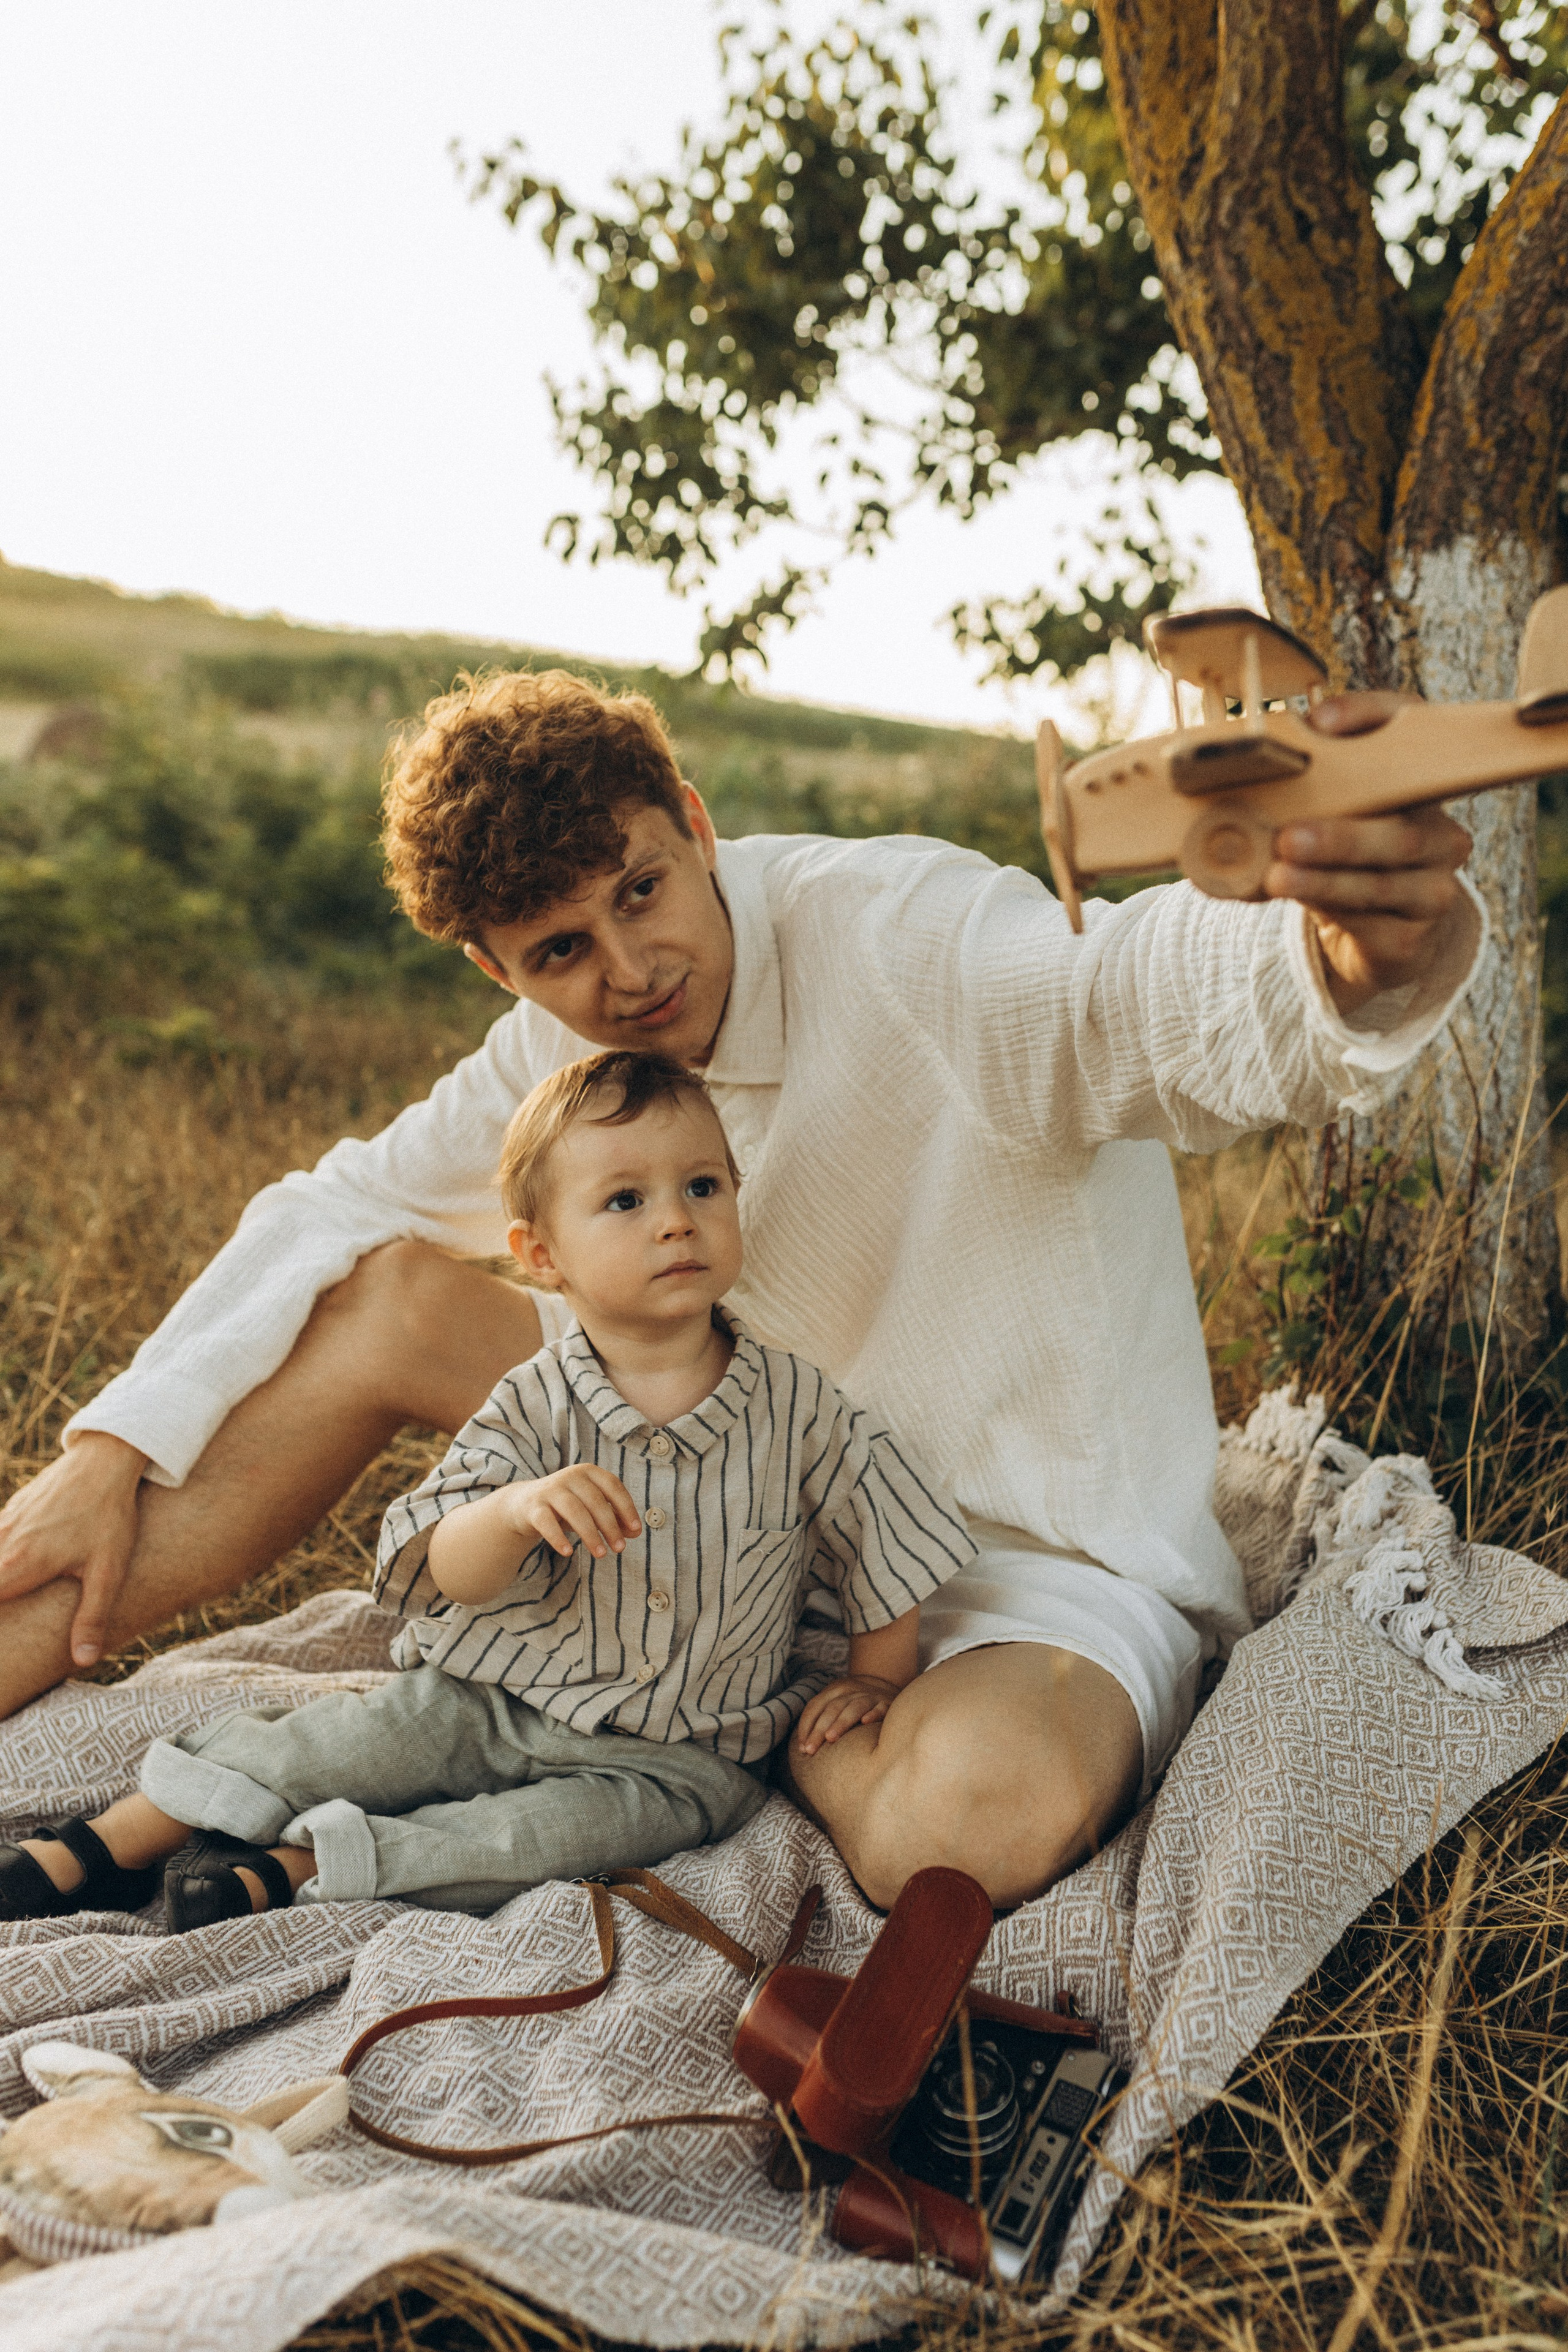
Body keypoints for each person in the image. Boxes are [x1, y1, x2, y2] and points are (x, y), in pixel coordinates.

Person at [0, 666, 1480, 1909]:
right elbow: (335, 1203)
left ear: (694, 825)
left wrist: (1344, 961)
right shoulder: (555, 1047)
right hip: (704, 1514)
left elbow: (1133, 998)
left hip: (1021, 1565)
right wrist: (105, 1450)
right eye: (560, 950)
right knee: (382, 1292)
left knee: (960, 1831)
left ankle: (751, 1740)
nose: (630, 968)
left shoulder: (909, 932)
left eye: (644, 889)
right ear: (491, 964)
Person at [0, 1050, 973, 1925]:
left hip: (681, 1754)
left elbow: (884, 1543)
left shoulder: (802, 1407)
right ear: (541, 1257)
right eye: (625, 1201)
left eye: (704, 1186)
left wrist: (874, 1680)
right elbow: (444, 1564)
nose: (677, 1218)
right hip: (490, 1695)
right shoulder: (535, 1401)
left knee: (531, 1842)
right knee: (338, 1744)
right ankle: (103, 1847)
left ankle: (289, 1870)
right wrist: (514, 1511)